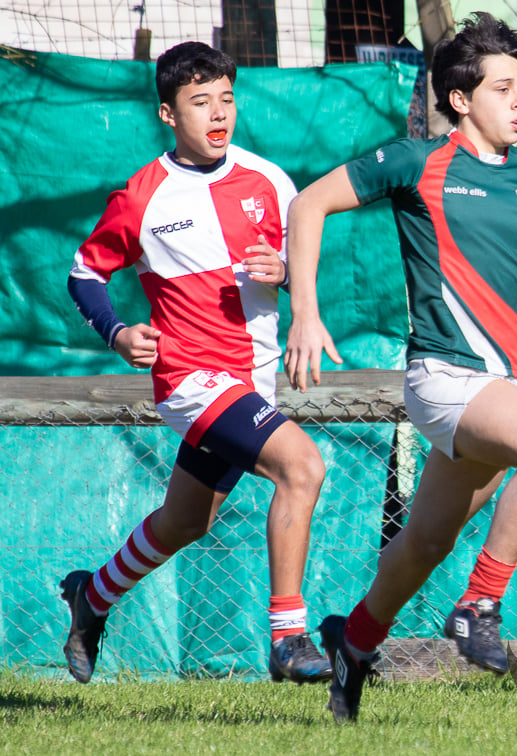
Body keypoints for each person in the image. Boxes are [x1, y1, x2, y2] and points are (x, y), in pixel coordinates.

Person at [283, 12, 517, 722]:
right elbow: (309, 203)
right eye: (503, 88)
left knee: (423, 545)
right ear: (458, 100)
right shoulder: (418, 162)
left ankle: (352, 646)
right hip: (446, 381)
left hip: (506, 389)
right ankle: (480, 605)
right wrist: (305, 311)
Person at [61, 41, 331, 686]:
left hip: (252, 376)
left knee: (188, 520)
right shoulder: (142, 196)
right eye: (200, 101)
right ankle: (289, 637)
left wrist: (288, 274)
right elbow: (83, 272)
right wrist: (118, 330)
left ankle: (90, 598)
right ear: (167, 113)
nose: (218, 113)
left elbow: (300, 271)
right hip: (190, 377)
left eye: (227, 99)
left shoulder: (269, 180)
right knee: (303, 466)